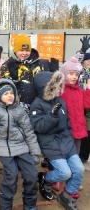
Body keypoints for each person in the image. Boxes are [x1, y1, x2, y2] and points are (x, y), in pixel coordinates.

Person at [0, 79, 41, 210]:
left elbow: (29, 131)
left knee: (32, 175)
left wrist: (35, 152)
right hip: (2, 146)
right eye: (6, 93)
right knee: (11, 176)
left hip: (20, 146)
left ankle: (30, 205)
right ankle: (5, 207)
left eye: (12, 93)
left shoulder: (19, 109)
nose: (10, 96)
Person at [30, 70, 85, 209]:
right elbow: (39, 127)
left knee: (78, 169)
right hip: (49, 142)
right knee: (64, 173)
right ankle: (45, 178)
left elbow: (67, 123)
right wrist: (52, 115)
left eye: (58, 86)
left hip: (66, 141)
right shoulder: (36, 104)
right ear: (45, 88)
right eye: (53, 87)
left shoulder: (60, 101)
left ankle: (67, 195)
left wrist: (70, 138)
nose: (57, 90)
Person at [59, 57, 89, 153]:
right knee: (64, 154)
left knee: (75, 154)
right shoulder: (60, 91)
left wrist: (88, 90)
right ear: (64, 74)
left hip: (78, 129)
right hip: (65, 130)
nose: (74, 77)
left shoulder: (80, 91)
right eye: (71, 74)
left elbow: (87, 105)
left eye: (76, 74)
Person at [78, 52, 90, 165]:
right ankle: (82, 155)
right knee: (84, 131)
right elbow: (75, 61)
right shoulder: (80, 71)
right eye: (88, 60)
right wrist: (82, 50)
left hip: (88, 103)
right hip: (81, 103)